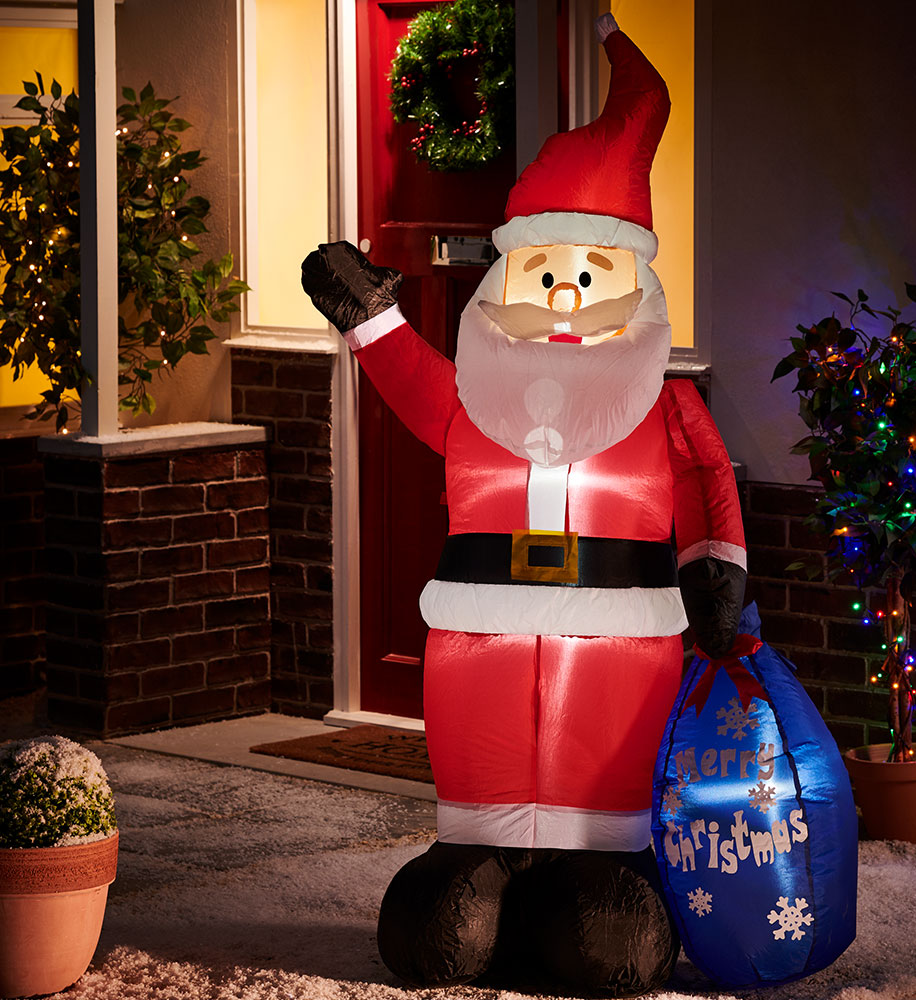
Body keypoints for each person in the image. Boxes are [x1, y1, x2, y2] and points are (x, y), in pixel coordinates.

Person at [302, 14, 745, 996]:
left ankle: (601, 875)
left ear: (634, 282)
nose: (566, 298)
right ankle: (474, 863)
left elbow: (705, 478)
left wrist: (715, 564)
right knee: (454, 889)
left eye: (592, 276)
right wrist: (371, 317)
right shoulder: (476, 397)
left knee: (606, 907)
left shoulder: (662, 403)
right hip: (480, 647)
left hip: (621, 652)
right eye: (545, 274)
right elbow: (420, 393)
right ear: (510, 278)